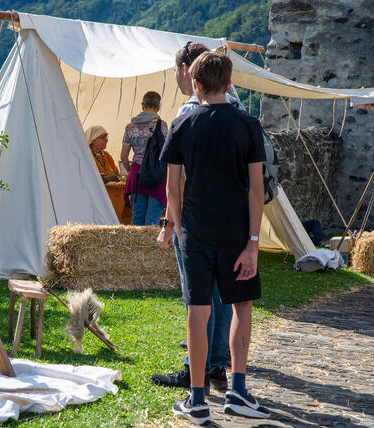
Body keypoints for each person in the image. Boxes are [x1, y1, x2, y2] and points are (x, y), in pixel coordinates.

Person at [160, 51, 270, 425]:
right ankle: (237, 390)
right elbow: (257, 190)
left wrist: (179, 227)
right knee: (240, 307)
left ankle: (197, 399)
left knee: (198, 311)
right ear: (229, 82)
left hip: (196, 230)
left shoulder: (182, 125)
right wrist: (253, 241)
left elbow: (173, 188)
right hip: (238, 231)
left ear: (196, 83)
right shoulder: (248, 125)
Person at [151, 42, 233, 395]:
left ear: (188, 70)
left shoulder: (188, 113)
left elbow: (177, 180)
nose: (176, 78)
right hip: (229, 217)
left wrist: (170, 225)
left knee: (196, 298)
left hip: (195, 218)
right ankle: (217, 365)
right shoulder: (237, 107)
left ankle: (194, 371)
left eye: (176, 72)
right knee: (221, 295)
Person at [120, 91, 169, 225]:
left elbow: (123, 156)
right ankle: (151, 246)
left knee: (137, 220)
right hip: (157, 175)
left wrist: (131, 170)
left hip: (137, 174)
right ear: (158, 107)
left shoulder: (130, 127)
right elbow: (168, 153)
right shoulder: (162, 126)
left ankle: (136, 247)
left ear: (142, 105)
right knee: (152, 220)